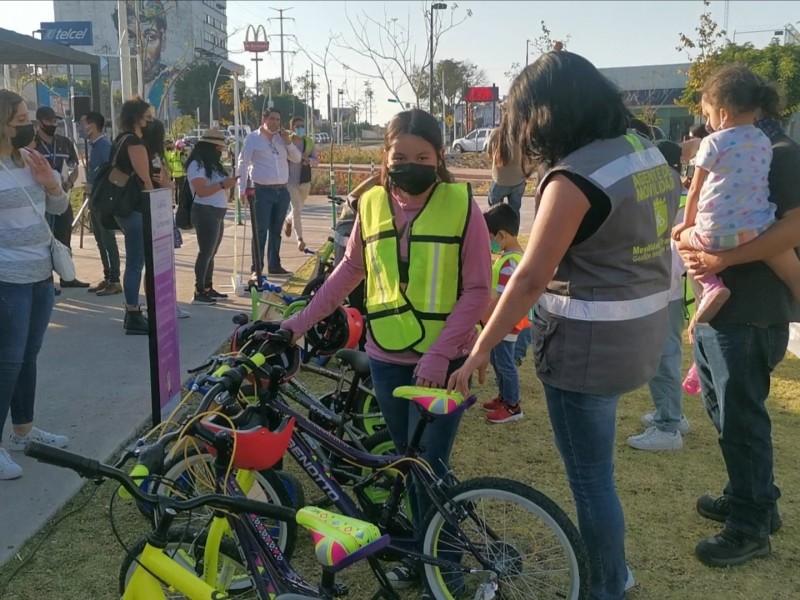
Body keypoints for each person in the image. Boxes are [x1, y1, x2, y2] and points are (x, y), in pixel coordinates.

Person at [448, 51, 680, 600]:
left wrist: (481, 348)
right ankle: (612, 570)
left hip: (588, 350)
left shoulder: (573, 178)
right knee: (599, 476)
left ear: (545, 113)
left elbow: (529, 278)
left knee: (592, 481)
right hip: (642, 333)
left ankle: (607, 583)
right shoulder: (642, 149)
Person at [282, 108, 491, 591]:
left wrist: (440, 354)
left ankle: (450, 570)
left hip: (443, 362)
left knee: (430, 470)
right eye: (401, 156)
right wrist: (296, 324)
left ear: (439, 157)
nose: (411, 164)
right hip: (386, 358)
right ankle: (424, 557)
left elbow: (478, 290)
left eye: (423, 156)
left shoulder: (463, 207)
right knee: (407, 462)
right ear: (386, 156)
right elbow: (346, 273)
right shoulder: (372, 203)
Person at [678, 66, 800, 568]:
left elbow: (792, 228)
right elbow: (697, 210)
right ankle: (753, 496)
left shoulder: (781, 152)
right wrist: (687, 241)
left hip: (752, 309)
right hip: (721, 306)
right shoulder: (731, 145)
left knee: (741, 416)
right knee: (722, 409)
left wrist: (724, 259)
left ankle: (750, 525)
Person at [672, 66, 800, 325]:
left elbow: (695, 189)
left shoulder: (716, 143)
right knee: (792, 272)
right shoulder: (765, 142)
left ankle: (710, 286)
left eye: (706, 114)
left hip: (745, 306)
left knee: (678, 236)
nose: (706, 124)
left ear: (723, 113)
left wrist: (689, 227)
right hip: (755, 231)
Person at [0, 90, 71, 480]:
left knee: (28, 356)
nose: (28, 125)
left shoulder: (30, 159)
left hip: (42, 275)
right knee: (6, 362)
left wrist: (51, 185)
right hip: (7, 280)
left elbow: (58, 210)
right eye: (20, 119)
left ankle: (22, 432)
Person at [627, 139, 691, 451]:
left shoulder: (673, 199)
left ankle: (669, 426)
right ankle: (672, 416)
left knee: (663, 357)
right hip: (667, 291)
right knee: (665, 356)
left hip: (664, 292)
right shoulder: (675, 195)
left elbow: (674, 254)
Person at [238, 108, 301, 277]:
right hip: (262, 191)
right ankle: (256, 268)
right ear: (263, 119)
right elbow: (243, 163)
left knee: (276, 230)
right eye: (272, 118)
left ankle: (274, 264)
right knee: (260, 230)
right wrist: (242, 188)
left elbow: (296, 158)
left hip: (282, 191)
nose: (275, 122)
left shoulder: (282, 139)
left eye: (278, 119)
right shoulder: (253, 138)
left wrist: (287, 142)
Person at [113, 98, 158, 334]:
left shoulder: (120, 140)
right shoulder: (134, 143)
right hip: (135, 209)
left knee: (134, 262)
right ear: (136, 117)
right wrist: (155, 204)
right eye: (146, 116)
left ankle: (133, 312)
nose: (149, 120)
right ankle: (133, 313)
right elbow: (145, 179)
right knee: (135, 263)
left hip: (124, 208)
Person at [481, 203, 527, 424]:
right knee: (497, 360)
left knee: (505, 362)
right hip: (503, 322)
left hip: (506, 324)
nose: (490, 243)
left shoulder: (510, 263)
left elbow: (502, 299)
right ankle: (504, 397)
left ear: (501, 235)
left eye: (491, 237)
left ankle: (512, 405)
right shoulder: (509, 257)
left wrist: (481, 317)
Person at [35, 106, 88, 289]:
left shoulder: (64, 142)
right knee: (43, 238)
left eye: (55, 121)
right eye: (49, 121)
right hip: (40, 199)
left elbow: (74, 166)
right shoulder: (31, 143)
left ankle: (68, 277)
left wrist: (70, 182)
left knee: (64, 235)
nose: (53, 124)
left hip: (62, 196)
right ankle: (46, 281)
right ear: (39, 122)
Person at [185, 129, 237, 305]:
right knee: (205, 252)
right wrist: (223, 184)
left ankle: (208, 287)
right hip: (205, 211)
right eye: (219, 147)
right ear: (210, 147)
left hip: (217, 211)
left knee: (211, 252)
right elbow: (201, 191)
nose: (221, 150)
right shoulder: (197, 165)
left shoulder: (212, 164)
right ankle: (199, 290)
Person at [81, 111, 122, 296]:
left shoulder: (104, 146)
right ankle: (107, 277)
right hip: (94, 199)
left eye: (83, 124)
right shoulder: (95, 146)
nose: (81, 129)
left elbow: (108, 174)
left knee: (108, 240)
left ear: (92, 125)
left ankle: (115, 280)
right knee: (100, 240)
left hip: (102, 200)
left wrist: (96, 187)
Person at [284, 116, 319, 251]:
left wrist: (309, 159)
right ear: (292, 128)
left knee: (299, 207)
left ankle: (288, 220)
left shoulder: (309, 142)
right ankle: (300, 239)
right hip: (290, 181)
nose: (300, 129)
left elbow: (316, 161)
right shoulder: (288, 141)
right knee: (297, 208)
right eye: (297, 126)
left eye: (302, 126)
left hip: (305, 181)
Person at [486, 115, 526, 213]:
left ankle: (496, 228)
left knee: (494, 212)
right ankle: (512, 228)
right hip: (518, 180)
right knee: (514, 213)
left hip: (499, 179)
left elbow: (489, 154)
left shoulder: (495, 134)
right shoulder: (521, 135)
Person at [164, 137, 185, 205]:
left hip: (174, 173)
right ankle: (180, 202)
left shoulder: (172, 153)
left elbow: (170, 162)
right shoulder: (180, 153)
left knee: (175, 189)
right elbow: (183, 162)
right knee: (181, 189)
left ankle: (176, 202)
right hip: (180, 173)